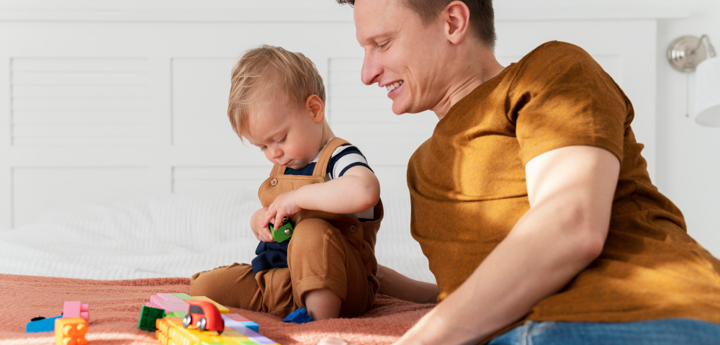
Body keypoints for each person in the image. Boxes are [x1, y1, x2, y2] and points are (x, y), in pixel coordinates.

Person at [320, 0, 720, 344]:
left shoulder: (550, 70)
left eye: (383, 44)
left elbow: (570, 226)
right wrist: (365, 277)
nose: (367, 73)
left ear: (453, 22)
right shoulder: (422, 169)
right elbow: (473, 294)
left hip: (642, 316)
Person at [189, 45, 386, 321]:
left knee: (311, 233)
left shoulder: (339, 156)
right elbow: (276, 213)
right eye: (263, 147)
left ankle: (319, 324)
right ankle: (292, 308)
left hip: (340, 286)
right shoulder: (285, 164)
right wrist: (260, 220)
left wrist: (297, 198)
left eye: (280, 139)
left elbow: (365, 191)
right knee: (204, 286)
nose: (274, 153)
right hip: (281, 281)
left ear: (314, 110)